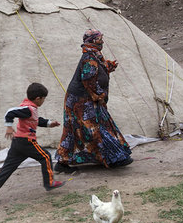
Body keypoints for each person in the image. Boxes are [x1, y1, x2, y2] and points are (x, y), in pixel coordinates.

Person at [55, 29, 133, 173]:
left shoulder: (94, 55)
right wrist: (99, 95)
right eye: (99, 39)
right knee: (88, 129)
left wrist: (107, 67)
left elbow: (96, 72)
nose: (102, 41)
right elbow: (88, 79)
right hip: (80, 100)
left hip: (88, 100)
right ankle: (65, 161)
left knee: (96, 126)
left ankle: (112, 156)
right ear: (93, 41)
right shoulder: (89, 58)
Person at [0, 83, 65, 204]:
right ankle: (49, 183)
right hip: (27, 141)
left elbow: (36, 120)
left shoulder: (30, 109)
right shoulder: (28, 109)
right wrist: (8, 127)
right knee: (46, 156)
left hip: (18, 143)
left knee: (9, 166)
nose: (43, 101)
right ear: (38, 98)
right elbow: (10, 112)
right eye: (43, 99)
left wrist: (49, 123)